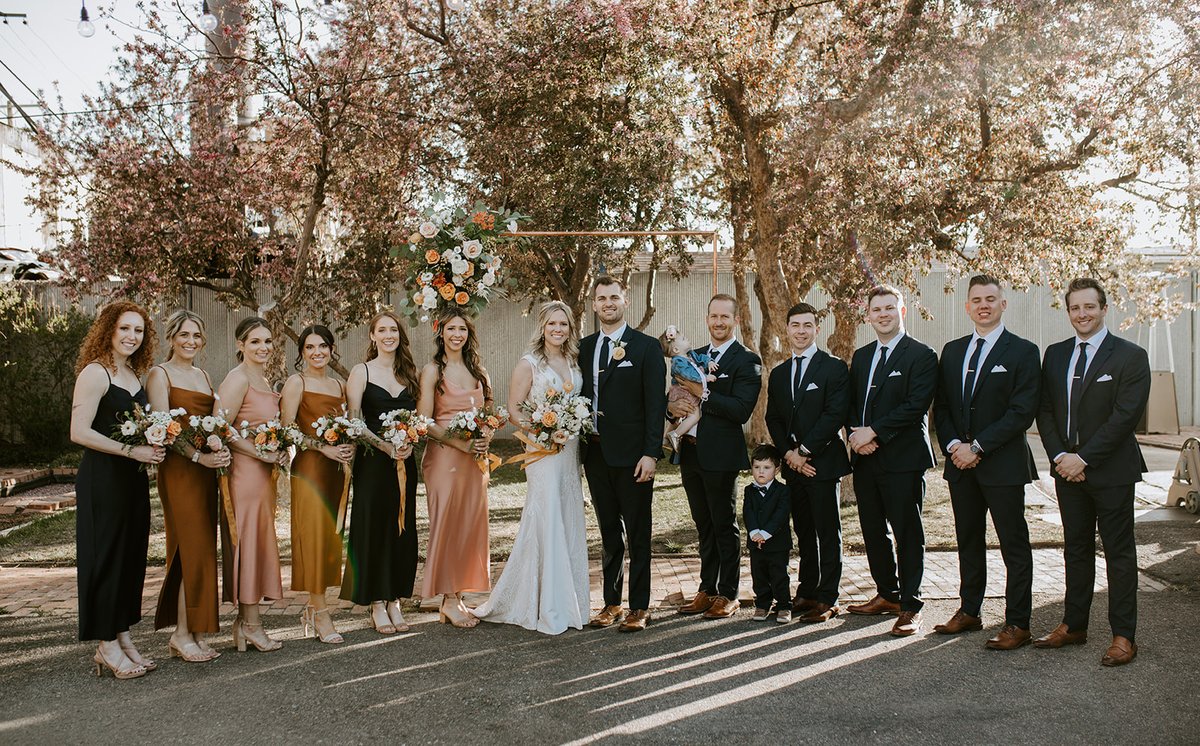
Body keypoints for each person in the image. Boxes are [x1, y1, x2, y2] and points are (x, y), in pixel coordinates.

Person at [1034, 278, 1151, 667]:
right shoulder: (1055, 354)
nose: (1081, 314)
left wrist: (1083, 458)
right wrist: (1060, 457)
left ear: (1104, 309)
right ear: (1068, 312)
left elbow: (1124, 418)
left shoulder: (1130, 356)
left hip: (1111, 471)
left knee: (1118, 553)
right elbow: (1045, 411)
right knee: (1076, 549)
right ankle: (1074, 624)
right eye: (1074, 308)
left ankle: (1123, 636)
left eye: (1089, 307)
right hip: (1067, 472)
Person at [932, 275, 1041, 650]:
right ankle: (969, 610)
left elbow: (1021, 412)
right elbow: (942, 406)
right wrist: (953, 446)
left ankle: (1018, 623)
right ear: (967, 306)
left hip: (1002, 464)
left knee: (1013, 544)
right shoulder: (953, 350)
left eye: (990, 299)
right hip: (959, 465)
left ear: (1003, 304)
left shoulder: (1023, 351)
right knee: (968, 540)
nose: (983, 305)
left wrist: (976, 446)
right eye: (976, 299)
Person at [472, 301, 591, 634]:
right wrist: (540, 433)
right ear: (542, 327)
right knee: (546, 515)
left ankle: (572, 603)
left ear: (570, 328)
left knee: (567, 515)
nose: (558, 329)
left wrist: (566, 428)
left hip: (568, 451)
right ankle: (545, 604)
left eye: (564, 324)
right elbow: (513, 409)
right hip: (541, 452)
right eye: (552, 323)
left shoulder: (571, 360)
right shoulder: (529, 364)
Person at [71, 301, 162, 679]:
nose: (131, 337)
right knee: (106, 557)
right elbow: (78, 432)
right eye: (125, 328)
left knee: (129, 557)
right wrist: (132, 449)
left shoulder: (132, 373)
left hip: (132, 479)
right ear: (108, 329)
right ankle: (105, 644)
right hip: (103, 479)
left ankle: (122, 635)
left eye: (138, 331)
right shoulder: (96, 373)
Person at [845, 286, 938, 637]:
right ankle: (887, 594)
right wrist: (857, 435)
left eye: (889, 308)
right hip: (866, 459)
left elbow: (915, 406)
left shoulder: (922, 354)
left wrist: (875, 434)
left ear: (902, 312)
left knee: (907, 532)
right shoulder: (863, 355)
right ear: (868, 315)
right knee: (873, 531)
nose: (882, 314)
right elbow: (851, 402)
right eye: (876, 309)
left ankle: (911, 605)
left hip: (903, 459)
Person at [580, 276, 668, 632]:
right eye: (601, 298)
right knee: (608, 534)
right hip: (595, 453)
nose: (608, 303)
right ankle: (612, 604)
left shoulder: (646, 347)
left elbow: (655, 405)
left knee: (638, 533)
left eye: (614, 297)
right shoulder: (584, 348)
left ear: (625, 301)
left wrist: (651, 453)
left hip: (634, 457)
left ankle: (640, 606)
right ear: (595, 304)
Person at [674, 294, 762, 621]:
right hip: (691, 455)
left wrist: (704, 393)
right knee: (704, 525)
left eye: (725, 316)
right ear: (707, 318)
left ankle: (729, 593)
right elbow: (674, 392)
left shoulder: (747, 360)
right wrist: (673, 406)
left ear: (736, 320)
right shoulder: (693, 356)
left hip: (722, 456)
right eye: (714, 316)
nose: (719, 322)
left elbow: (740, 410)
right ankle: (707, 589)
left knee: (724, 525)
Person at [147, 310, 227, 663]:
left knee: (203, 550)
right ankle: (180, 634)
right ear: (171, 338)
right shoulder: (159, 375)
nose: (191, 341)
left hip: (206, 472)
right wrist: (199, 457)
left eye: (196, 335)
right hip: (181, 472)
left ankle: (194, 630)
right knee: (187, 548)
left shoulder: (203, 375)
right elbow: (164, 429)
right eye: (184, 335)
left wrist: (220, 444)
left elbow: (216, 422)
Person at [763, 302, 850, 624]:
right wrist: (788, 455)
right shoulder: (780, 372)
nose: (801, 331)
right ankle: (808, 591)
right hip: (794, 467)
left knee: (828, 532)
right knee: (803, 531)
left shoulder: (833, 367)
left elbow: (834, 414)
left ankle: (828, 597)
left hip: (823, 464)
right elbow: (773, 417)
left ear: (817, 329)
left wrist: (804, 451)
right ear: (786, 329)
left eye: (807, 325)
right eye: (795, 325)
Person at [341, 310, 420, 635]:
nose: (389, 335)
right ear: (372, 336)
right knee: (373, 526)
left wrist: (409, 441)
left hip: (404, 461)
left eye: (394, 330)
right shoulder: (361, 372)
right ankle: (375, 602)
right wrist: (385, 446)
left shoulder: (408, 372)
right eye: (382, 330)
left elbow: (418, 417)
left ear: (400, 335)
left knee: (401, 526)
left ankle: (395, 600)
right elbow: (354, 421)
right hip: (373, 461)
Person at [418, 310, 494, 629]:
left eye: (462, 329)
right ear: (441, 333)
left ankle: (460, 595)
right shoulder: (433, 370)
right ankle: (447, 599)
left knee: (468, 526)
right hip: (444, 458)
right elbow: (423, 422)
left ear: (469, 334)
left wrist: (485, 438)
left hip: (474, 461)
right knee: (447, 524)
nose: (457, 334)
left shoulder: (480, 372)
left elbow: (491, 415)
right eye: (451, 329)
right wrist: (459, 443)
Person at [217, 317, 286, 652]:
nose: (263, 347)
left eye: (268, 341)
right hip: (244, 474)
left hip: (263, 474)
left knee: (258, 543)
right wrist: (259, 451)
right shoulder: (238, 378)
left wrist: (279, 449)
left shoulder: (261, 376)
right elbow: (221, 427)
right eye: (255, 341)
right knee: (247, 544)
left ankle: (246, 624)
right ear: (240, 345)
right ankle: (251, 625)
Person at [281, 324, 352, 644]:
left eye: (322, 346)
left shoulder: (340, 386)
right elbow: (286, 430)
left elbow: (347, 424)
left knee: (329, 538)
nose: (317, 352)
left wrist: (346, 445)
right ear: (301, 353)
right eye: (310, 348)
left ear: (332, 349)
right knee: (312, 538)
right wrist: (321, 446)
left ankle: (314, 606)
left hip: (336, 470)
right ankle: (322, 614)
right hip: (309, 469)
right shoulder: (296, 383)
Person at [743, 445, 793, 624]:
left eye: (766, 467)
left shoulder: (783, 491)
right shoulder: (749, 490)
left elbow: (781, 515)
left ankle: (784, 605)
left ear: (777, 469)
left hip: (777, 543)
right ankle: (763, 604)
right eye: (756, 467)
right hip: (756, 542)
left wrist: (766, 532)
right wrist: (754, 531)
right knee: (759, 575)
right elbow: (747, 512)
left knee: (779, 575)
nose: (761, 472)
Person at [658, 324, 716, 456]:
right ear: (677, 349)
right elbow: (688, 375)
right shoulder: (678, 362)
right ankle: (675, 435)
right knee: (695, 415)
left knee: (678, 417)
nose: (687, 339)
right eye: (683, 338)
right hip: (683, 392)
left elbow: (702, 358)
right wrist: (705, 378)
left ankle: (665, 438)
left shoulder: (690, 355)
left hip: (685, 392)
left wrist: (709, 362)